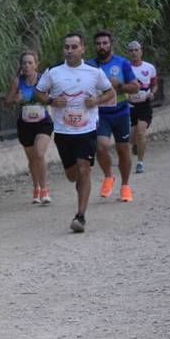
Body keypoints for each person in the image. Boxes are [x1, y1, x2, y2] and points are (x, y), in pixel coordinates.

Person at [34, 32, 113, 233]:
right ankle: (81, 184)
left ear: (82, 49)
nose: (69, 51)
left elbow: (110, 92)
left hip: (87, 130)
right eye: (66, 47)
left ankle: (80, 216)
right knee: (72, 175)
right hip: (63, 131)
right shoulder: (53, 72)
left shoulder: (94, 72)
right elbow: (38, 92)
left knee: (84, 169)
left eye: (74, 47)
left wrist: (96, 101)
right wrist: (52, 101)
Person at [87, 30, 140, 201]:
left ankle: (125, 186)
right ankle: (108, 176)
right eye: (98, 44)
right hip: (100, 114)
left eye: (105, 43)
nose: (101, 46)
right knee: (101, 147)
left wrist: (120, 86)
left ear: (111, 45)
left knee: (123, 149)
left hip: (121, 112)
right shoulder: (89, 65)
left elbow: (135, 87)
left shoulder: (122, 63)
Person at [4, 50, 53, 204]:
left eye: (30, 63)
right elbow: (6, 103)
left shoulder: (43, 80)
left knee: (39, 153)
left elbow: (53, 97)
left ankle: (44, 190)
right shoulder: (17, 82)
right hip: (25, 124)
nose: (27, 66)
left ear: (36, 64)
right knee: (32, 159)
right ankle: (36, 188)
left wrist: (46, 99)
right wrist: (14, 100)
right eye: (24, 63)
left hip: (43, 122)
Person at [126, 40, 158, 173]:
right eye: (131, 50)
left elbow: (155, 84)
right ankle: (135, 144)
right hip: (129, 105)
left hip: (144, 105)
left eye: (136, 50)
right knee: (132, 136)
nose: (134, 53)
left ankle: (140, 163)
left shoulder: (149, 68)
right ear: (128, 53)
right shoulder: (125, 67)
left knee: (140, 132)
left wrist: (152, 93)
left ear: (141, 51)